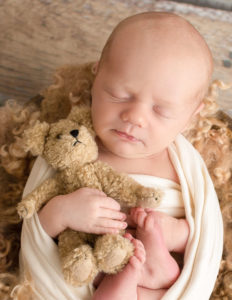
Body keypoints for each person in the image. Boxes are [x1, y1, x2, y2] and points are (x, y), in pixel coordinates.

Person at [14, 11, 223, 300]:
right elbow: (35, 228)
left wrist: (170, 231)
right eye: (120, 95)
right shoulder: (70, 145)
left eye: (161, 110)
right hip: (84, 278)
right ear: (97, 77)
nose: (134, 116)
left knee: (164, 277)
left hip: (160, 286)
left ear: (190, 116)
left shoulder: (184, 167)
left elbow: (205, 237)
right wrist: (63, 211)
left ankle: (145, 271)